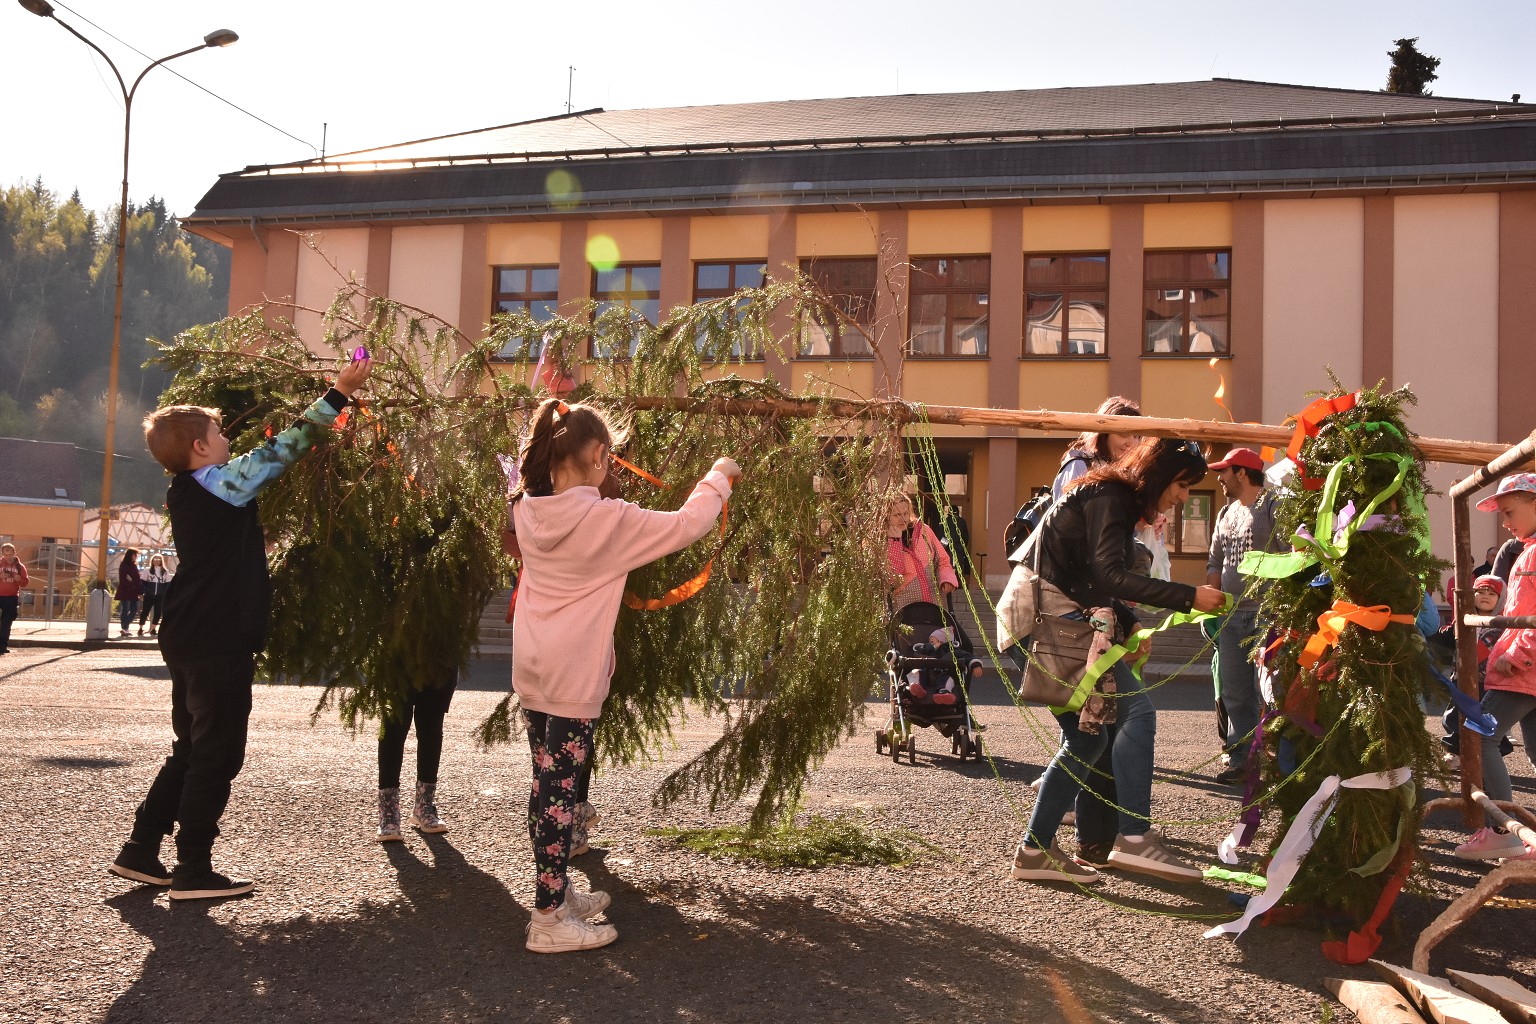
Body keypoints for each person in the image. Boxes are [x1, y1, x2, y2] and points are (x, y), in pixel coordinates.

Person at [107, 351, 372, 900]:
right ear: (201, 448)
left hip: (190, 633)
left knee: (191, 747)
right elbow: (285, 449)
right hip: (216, 637)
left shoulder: (192, 490)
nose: (229, 439)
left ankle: (140, 849)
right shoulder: (218, 484)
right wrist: (340, 392)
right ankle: (193, 869)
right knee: (217, 753)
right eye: (219, 433)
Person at [510, 397, 737, 953]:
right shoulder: (606, 520)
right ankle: (547, 921)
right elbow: (689, 524)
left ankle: (556, 894)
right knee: (558, 794)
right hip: (573, 674)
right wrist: (719, 476)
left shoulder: (526, 510)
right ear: (598, 456)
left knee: (546, 785)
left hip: (536, 666)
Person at [1009, 438, 1227, 885]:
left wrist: (1125, 622)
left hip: (1047, 620)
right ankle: (1133, 838)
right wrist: (1190, 597)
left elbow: (1088, 573)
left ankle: (1036, 849)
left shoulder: (1111, 496)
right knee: (1137, 714)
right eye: (1183, 486)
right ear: (1161, 474)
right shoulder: (1111, 497)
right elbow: (1107, 574)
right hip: (1051, 623)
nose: (1184, 497)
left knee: (1088, 741)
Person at [1455, 473, 1536, 861]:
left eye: (1509, 511)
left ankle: (1504, 829)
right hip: (1524, 667)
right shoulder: (1526, 549)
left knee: (1479, 734)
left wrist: (1514, 657)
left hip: (1522, 669)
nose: (1504, 521)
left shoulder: (1533, 553)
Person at [1204, 447, 1280, 785]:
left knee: (1268, 691)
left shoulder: (1275, 507)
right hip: (1231, 617)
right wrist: (1210, 607)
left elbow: (1294, 555)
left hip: (1267, 615)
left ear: (1243, 473)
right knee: (1235, 691)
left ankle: (1277, 761)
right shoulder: (1225, 514)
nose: (1219, 478)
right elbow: (1215, 564)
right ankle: (1240, 760)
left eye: (1225, 471)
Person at [376, 666, 458, 841]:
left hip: (439, 653)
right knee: (393, 729)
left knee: (431, 730)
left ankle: (424, 806)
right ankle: (388, 813)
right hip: (398, 652)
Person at [1050, 396, 1142, 501]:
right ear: (1104, 434)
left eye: (1136, 436)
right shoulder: (1080, 466)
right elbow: (1064, 513)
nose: (1131, 443)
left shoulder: (1135, 474)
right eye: (1123, 434)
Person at [886, 493, 958, 617]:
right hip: (905, 612)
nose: (903, 519)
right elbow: (893, 576)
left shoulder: (924, 531)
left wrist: (947, 579)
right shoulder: (882, 541)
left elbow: (943, 560)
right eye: (897, 515)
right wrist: (895, 541)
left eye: (905, 513)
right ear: (887, 516)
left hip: (936, 607)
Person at [0, 543, 27, 655]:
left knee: (6, 623)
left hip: (11, 597)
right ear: (2, 554)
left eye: (10, 555)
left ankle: (2, 647)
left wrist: (19, 579)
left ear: (14, 553)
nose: (8, 557)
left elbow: (25, 582)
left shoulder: (20, 567)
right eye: (6, 555)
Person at [137, 554, 171, 636]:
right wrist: (141, 593)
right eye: (155, 559)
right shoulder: (147, 570)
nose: (156, 561)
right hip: (149, 594)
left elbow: (167, 584)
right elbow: (142, 583)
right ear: (152, 560)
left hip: (160, 595)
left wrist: (166, 595)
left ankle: (153, 628)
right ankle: (141, 628)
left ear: (161, 561)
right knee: (145, 611)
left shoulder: (165, 571)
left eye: (158, 559)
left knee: (158, 613)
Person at [116, 549, 143, 640]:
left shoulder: (134, 565)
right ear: (131, 555)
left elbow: (137, 579)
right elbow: (123, 579)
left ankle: (125, 627)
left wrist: (139, 591)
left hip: (133, 591)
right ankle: (125, 628)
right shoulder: (124, 565)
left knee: (134, 609)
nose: (136, 556)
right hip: (125, 590)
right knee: (125, 609)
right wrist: (132, 585)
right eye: (135, 554)